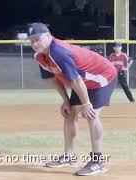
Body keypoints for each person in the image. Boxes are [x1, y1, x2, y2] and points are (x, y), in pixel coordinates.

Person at [27, 22, 117, 176]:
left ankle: (98, 161)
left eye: (37, 39)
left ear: (48, 36)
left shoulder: (58, 51)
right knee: (69, 114)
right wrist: (66, 101)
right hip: (82, 81)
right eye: (31, 40)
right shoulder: (40, 56)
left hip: (102, 77)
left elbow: (76, 81)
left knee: (90, 114)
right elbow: (54, 79)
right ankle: (69, 156)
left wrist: (87, 103)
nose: (34, 43)